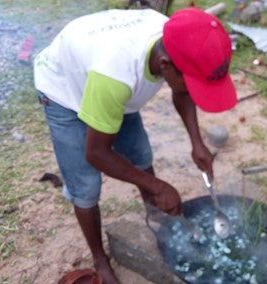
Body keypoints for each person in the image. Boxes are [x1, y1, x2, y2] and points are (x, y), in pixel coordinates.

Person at [33, 7, 237, 283]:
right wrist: (159, 186)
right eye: (192, 82)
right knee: (86, 187)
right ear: (165, 65)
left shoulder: (177, 39)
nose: (192, 88)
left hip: (110, 86)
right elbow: (96, 153)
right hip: (64, 92)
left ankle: (156, 218)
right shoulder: (115, 74)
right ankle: (100, 259)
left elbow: (182, 89)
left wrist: (196, 142)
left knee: (140, 154)